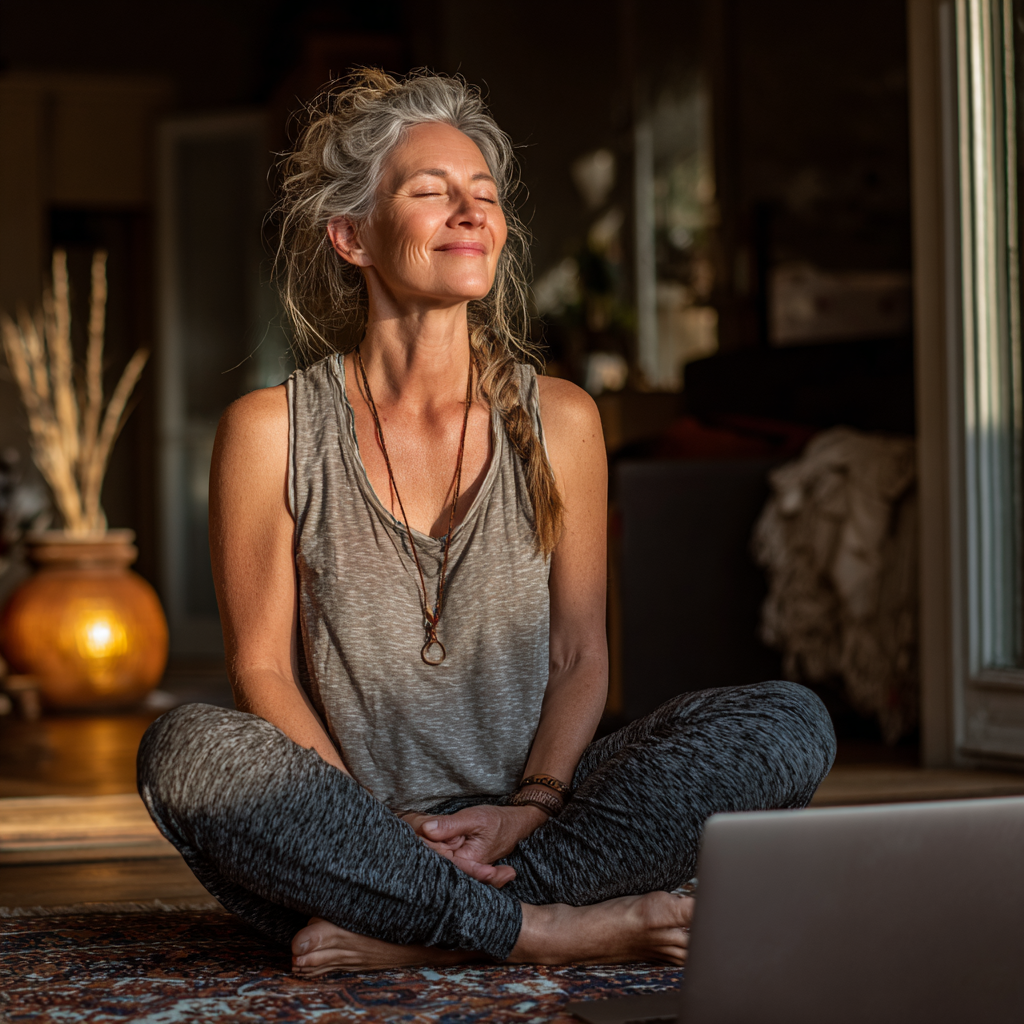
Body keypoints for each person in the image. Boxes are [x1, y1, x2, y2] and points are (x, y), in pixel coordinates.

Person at [137, 69, 835, 976]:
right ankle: (548, 929)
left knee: (789, 721)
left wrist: (532, 806)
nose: (471, 212)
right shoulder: (268, 432)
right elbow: (261, 670)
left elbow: (581, 657)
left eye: (486, 195)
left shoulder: (564, 420)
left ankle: (411, 932)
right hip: (352, 824)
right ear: (351, 237)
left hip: (537, 815)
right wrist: (375, 830)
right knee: (186, 751)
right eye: (431, 192)